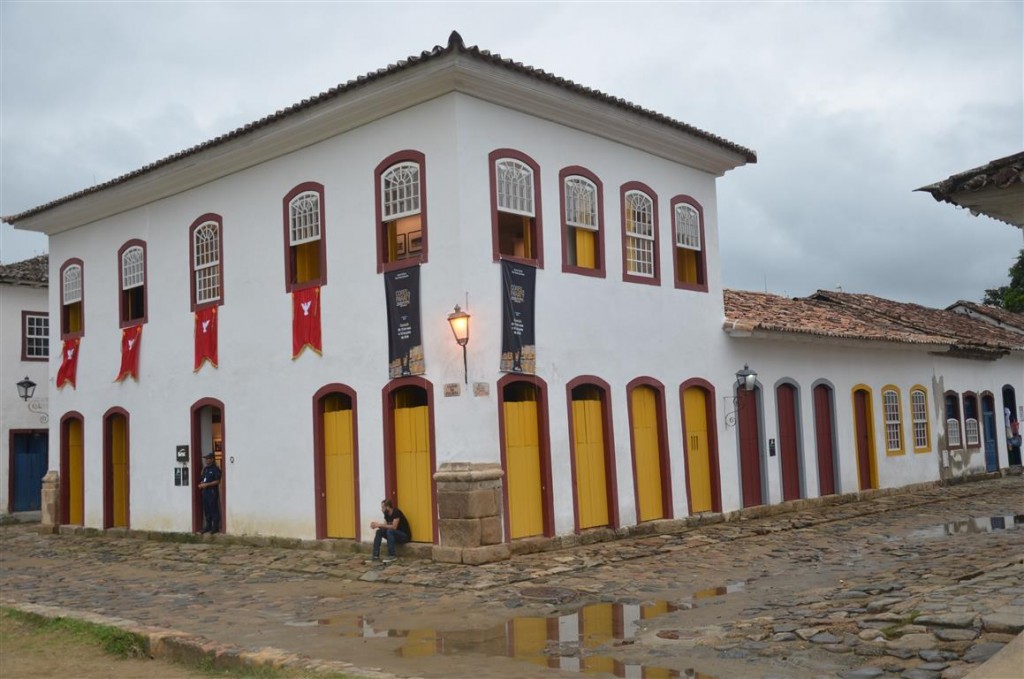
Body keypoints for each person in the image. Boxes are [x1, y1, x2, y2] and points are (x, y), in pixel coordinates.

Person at [368, 498, 410, 563]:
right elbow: (385, 527)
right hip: (394, 536)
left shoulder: (396, 512)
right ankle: (375, 555)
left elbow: (394, 527)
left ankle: (392, 556)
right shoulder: (386, 514)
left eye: (383, 507)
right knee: (379, 532)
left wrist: (379, 524)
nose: (381, 509)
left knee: (390, 531)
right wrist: (376, 525)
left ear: (387, 507)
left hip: (404, 536)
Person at [198, 452, 221, 534]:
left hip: (212, 492)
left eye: (207, 459)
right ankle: (208, 526)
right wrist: (201, 484)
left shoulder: (215, 469)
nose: (206, 461)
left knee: (213, 509)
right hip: (205, 492)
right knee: (206, 509)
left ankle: (215, 527)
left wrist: (207, 484)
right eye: (205, 459)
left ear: (212, 459)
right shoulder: (205, 469)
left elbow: (217, 481)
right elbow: (203, 478)